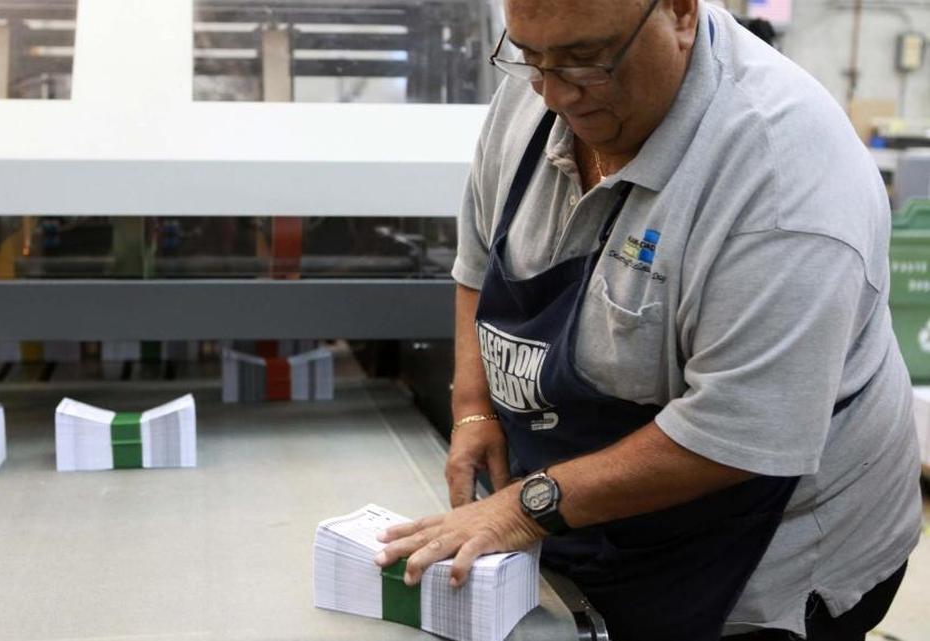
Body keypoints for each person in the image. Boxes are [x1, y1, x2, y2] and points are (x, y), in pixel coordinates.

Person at [374, 1, 923, 639]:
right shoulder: (540, 88)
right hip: (591, 515)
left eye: (585, 61)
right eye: (529, 57)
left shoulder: (784, 182)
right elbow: (478, 260)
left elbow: (740, 429)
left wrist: (523, 510)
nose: (552, 94)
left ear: (681, 12)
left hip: (759, 551)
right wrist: (474, 407)